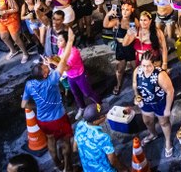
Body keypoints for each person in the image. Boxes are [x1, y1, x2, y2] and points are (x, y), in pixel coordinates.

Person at [21, 28, 76, 172]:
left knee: (51, 140)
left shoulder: (30, 84)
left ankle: (57, 164)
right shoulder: (51, 80)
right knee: (66, 141)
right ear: (45, 75)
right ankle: (67, 167)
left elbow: (24, 104)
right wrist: (70, 41)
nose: (46, 65)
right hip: (58, 118)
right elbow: (63, 62)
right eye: (45, 67)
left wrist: (38, 105)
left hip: (42, 120)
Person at [133, 50, 175, 158]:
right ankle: (153, 134)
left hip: (159, 103)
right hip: (145, 102)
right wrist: (136, 96)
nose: (146, 69)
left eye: (149, 66)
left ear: (155, 64)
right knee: (147, 121)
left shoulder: (160, 75)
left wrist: (167, 108)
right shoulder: (138, 71)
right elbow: (134, 84)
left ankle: (168, 142)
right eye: (143, 65)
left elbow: (170, 91)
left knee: (164, 123)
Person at [57, 30, 101, 120]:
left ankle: (99, 104)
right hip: (70, 77)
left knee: (88, 93)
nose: (58, 42)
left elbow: (66, 67)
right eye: (57, 40)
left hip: (79, 76)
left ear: (67, 41)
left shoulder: (74, 52)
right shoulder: (61, 50)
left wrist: (53, 62)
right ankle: (82, 107)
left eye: (60, 40)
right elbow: (60, 60)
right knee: (76, 93)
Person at [73, 103, 129, 172]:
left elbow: (74, 148)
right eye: (103, 116)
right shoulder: (102, 137)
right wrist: (123, 169)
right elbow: (113, 160)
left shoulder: (80, 125)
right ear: (95, 121)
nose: (105, 116)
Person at [102, 1, 137, 95]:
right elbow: (105, 25)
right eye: (123, 9)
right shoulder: (118, 20)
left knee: (135, 67)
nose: (125, 12)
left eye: (127, 10)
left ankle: (137, 84)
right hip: (120, 48)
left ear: (132, 10)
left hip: (131, 47)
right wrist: (108, 14)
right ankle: (118, 84)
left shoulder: (135, 21)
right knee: (120, 69)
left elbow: (140, 32)